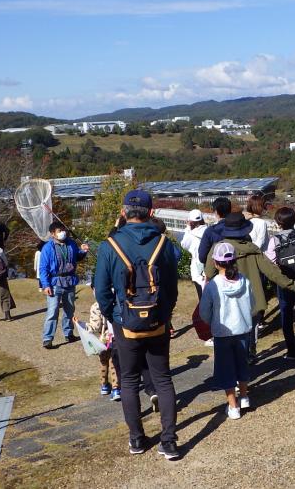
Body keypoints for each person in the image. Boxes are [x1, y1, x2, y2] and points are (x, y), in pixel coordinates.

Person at [94, 189, 183, 459]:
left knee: (129, 381)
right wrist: (164, 315)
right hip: (157, 321)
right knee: (163, 379)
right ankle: (168, 442)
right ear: (151, 213)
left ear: (123, 213)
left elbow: (101, 291)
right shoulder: (164, 244)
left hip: (126, 323)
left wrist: (116, 317)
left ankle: (137, 439)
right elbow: (172, 288)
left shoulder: (109, 245)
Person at [205, 212, 295, 365]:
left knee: (231, 337)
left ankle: (236, 367)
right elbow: (272, 272)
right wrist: (294, 285)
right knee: (250, 330)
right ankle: (249, 355)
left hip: (226, 301)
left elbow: (209, 272)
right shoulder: (253, 249)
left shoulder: (219, 248)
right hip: (252, 299)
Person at [200, 242, 255, 419]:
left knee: (226, 369)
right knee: (242, 364)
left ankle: (233, 407)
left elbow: (204, 313)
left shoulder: (213, 285)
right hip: (243, 330)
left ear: (216, 263)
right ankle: (244, 397)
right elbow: (252, 304)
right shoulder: (245, 281)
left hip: (223, 333)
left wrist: (212, 323)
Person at [264, 207, 295, 363]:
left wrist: (281, 276)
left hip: (286, 285)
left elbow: (270, 261)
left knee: (286, 318)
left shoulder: (275, 240)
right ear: (294, 220)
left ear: (278, 223)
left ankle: (291, 351)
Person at [39, 221, 89, 348]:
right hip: (55, 283)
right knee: (52, 311)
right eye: (59, 231)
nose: (63, 233)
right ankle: (48, 338)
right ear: (52, 234)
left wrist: (82, 251)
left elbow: (76, 257)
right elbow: (43, 268)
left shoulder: (71, 243)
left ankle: (69, 333)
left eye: (63, 230)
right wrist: (45, 285)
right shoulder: (47, 248)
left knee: (70, 310)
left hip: (70, 281)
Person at [86, 286, 120, 402]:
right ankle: (116, 388)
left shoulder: (96, 306)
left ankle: (104, 385)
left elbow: (95, 327)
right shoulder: (114, 303)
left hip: (102, 341)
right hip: (113, 338)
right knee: (113, 363)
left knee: (103, 363)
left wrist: (83, 325)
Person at [180, 209, 208, 299]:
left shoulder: (191, 235)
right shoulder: (208, 231)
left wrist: (188, 229)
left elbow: (184, 245)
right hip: (209, 267)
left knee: (201, 296)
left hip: (197, 268)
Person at [197, 196, 232, 265]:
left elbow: (202, 257)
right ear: (229, 210)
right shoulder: (240, 228)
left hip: (217, 269)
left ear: (216, 212)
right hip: (237, 268)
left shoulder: (210, 231)